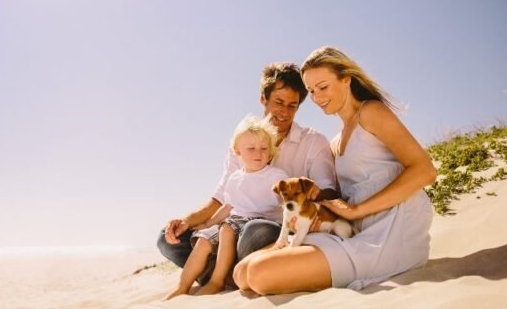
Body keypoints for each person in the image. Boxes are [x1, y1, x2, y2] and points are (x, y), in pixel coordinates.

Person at [233, 46, 437, 294]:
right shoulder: (335, 142)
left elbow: (425, 171)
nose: (317, 97)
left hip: (392, 232)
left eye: (323, 87)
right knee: (241, 272)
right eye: (311, 91)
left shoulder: (371, 112)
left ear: (346, 79)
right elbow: (338, 196)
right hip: (355, 231)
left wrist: (356, 210)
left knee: (258, 274)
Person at [157, 62, 338, 286]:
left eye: (292, 106)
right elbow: (222, 197)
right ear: (263, 99)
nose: (284, 112)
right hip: (234, 224)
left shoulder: (313, 141)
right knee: (167, 241)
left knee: (254, 232)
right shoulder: (243, 142)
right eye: (278, 102)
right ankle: (230, 273)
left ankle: (225, 273)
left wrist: (308, 206)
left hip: (275, 227)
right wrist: (186, 222)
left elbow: (328, 190)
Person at [164, 115, 289, 300]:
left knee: (227, 229)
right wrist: (208, 223)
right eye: (251, 149)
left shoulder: (276, 175)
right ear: (238, 152)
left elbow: (289, 202)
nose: (259, 153)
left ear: (271, 152)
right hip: (235, 220)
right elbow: (229, 206)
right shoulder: (235, 178)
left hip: (261, 223)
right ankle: (182, 286)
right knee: (204, 240)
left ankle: (217, 281)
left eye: (264, 149)